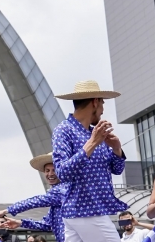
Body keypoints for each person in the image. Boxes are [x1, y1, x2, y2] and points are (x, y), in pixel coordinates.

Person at [49, 80, 129, 241]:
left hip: (84, 211)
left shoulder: (96, 133)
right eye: (102, 103)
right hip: (85, 210)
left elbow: (117, 169)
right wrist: (91, 144)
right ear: (95, 102)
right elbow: (62, 172)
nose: (103, 110)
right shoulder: (64, 130)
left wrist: (116, 149)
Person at [0, 152, 66, 241]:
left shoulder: (63, 189)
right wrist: (19, 222)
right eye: (47, 170)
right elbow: (47, 224)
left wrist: (7, 210)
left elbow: (35, 201)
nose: (50, 174)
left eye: (54, 170)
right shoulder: (57, 192)